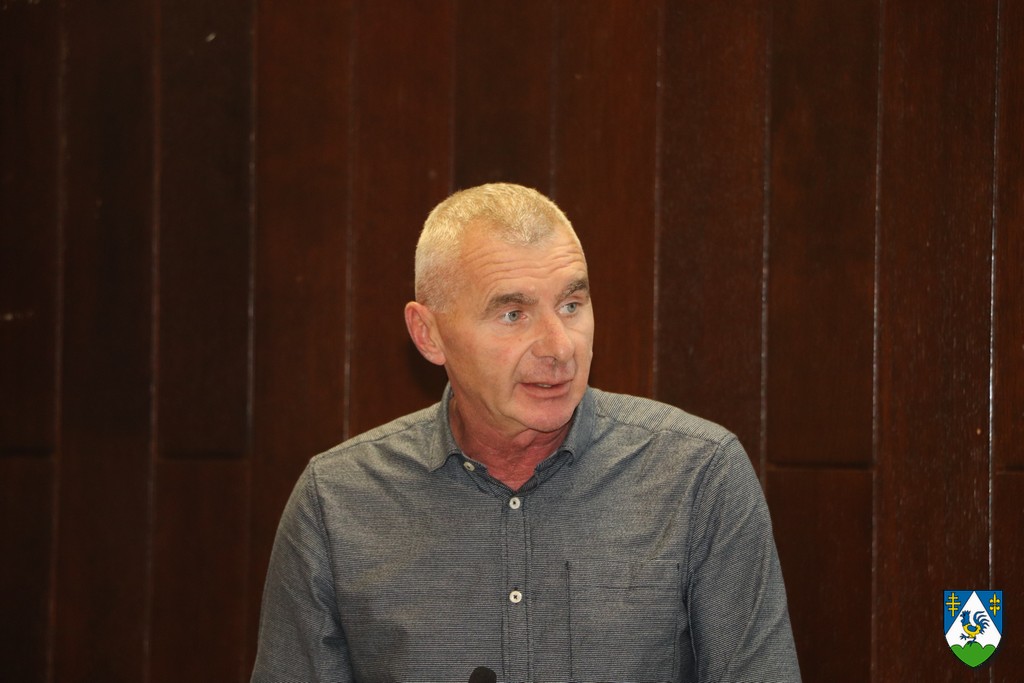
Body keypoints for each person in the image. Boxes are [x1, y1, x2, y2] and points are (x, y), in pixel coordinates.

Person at [251, 183, 801, 682]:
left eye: (571, 305)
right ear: (428, 334)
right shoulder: (337, 502)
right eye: (513, 314)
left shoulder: (699, 475)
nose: (559, 347)